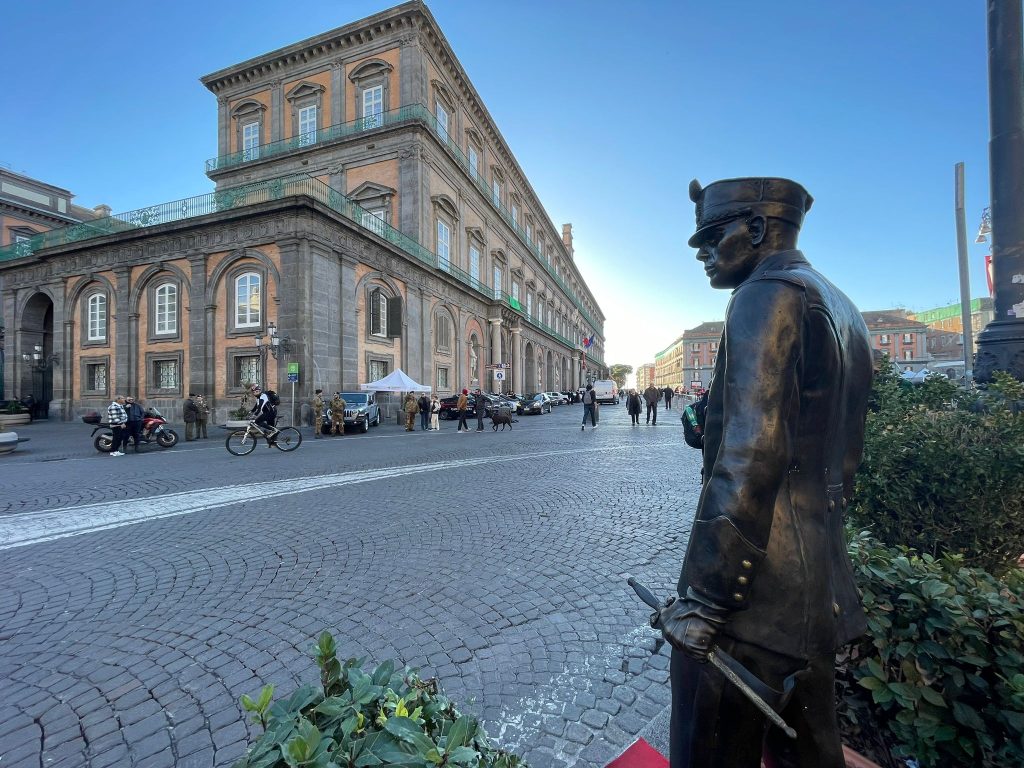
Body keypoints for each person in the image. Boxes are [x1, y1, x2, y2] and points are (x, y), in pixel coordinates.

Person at [656, 177, 872, 768]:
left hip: (754, 596)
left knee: (710, 748)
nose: (700, 252)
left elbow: (750, 458)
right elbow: (833, 454)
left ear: (754, 229)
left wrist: (705, 599)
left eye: (710, 236)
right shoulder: (843, 307)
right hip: (816, 580)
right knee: (809, 750)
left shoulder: (765, 296)